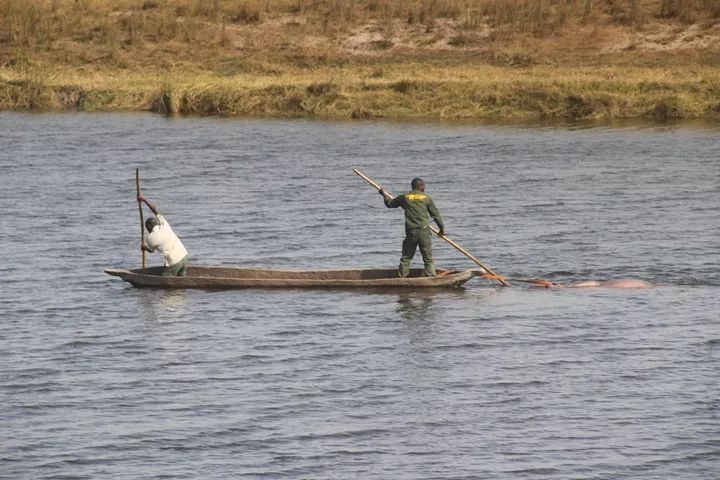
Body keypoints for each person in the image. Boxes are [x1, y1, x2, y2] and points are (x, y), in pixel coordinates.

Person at [380, 177, 444, 277]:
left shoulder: (404, 197)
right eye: (423, 186)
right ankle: (431, 276)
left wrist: (384, 195)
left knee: (406, 257)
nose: (424, 188)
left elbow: (390, 204)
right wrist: (441, 229)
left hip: (411, 232)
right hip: (424, 232)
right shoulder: (426, 198)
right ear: (420, 186)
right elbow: (436, 215)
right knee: (428, 258)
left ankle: (402, 277)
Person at [137, 195, 189, 277]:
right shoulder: (164, 224)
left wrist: (144, 247)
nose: (147, 230)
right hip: (184, 255)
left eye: (147, 228)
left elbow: (151, 250)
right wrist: (144, 200)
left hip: (174, 261)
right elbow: (155, 210)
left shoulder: (151, 238)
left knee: (166, 275)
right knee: (181, 278)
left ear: (149, 227)